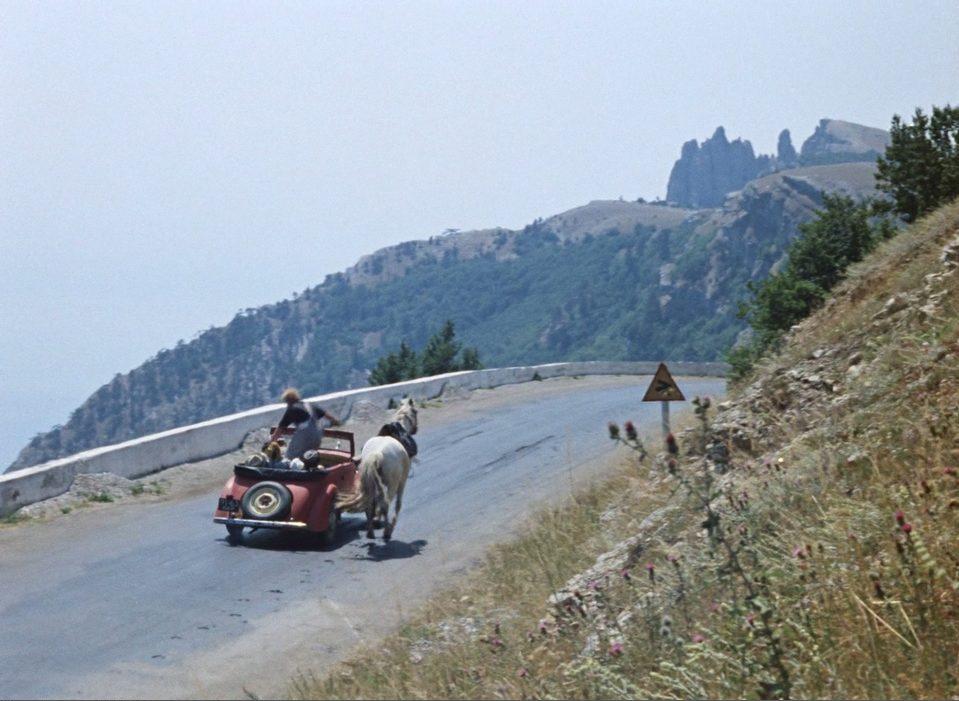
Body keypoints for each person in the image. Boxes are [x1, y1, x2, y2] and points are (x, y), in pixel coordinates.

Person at [269, 388, 341, 460]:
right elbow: (328, 417)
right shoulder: (310, 405)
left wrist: (271, 443)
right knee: (310, 457)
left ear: (288, 401)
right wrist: (336, 422)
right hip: (318, 434)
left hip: (305, 435)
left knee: (290, 457)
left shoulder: (292, 409)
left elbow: (279, 429)